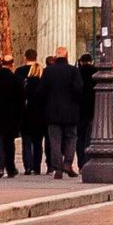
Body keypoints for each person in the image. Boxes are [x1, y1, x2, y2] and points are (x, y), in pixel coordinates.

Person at [36, 48, 85, 178]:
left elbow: (41, 91)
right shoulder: (73, 71)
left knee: (54, 140)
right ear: (67, 56)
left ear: (55, 57)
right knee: (71, 138)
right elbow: (79, 90)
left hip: (52, 111)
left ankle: (57, 167)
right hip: (70, 111)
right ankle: (68, 163)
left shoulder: (48, 72)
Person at [0, 49, 24, 179]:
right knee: (9, 142)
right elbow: (21, 100)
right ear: (12, 64)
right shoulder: (15, 79)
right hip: (10, 115)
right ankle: (10, 167)